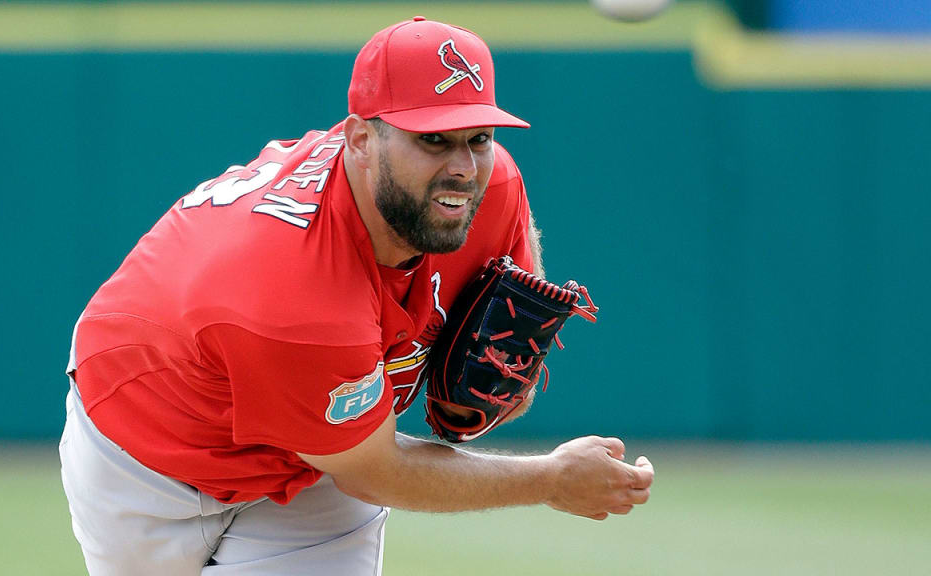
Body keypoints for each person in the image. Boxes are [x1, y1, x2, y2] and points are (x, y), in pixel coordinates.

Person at [59, 16, 654, 575]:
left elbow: (512, 292)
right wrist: (550, 479)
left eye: (478, 137)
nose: (463, 167)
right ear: (361, 140)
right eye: (433, 139)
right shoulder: (294, 292)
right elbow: (375, 471)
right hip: (146, 453)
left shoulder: (491, 185)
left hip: (316, 453)